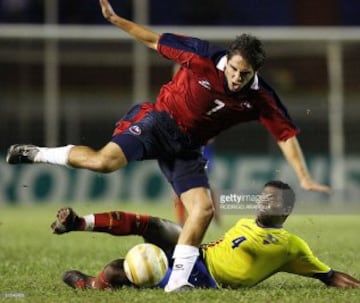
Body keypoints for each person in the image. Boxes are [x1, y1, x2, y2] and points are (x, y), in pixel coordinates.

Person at [6, 0, 331, 292]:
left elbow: (285, 135)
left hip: (188, 148)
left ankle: (177, 285)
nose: (235, 77)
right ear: (227, 60)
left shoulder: (261, 98)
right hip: (157, 122)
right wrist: (116, 19)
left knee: (203, 210)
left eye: (243, 74)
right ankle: (36, 153)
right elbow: (152, 40)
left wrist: (303, 178)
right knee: (105, 162)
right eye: (232, 69)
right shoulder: (202, 54)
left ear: (255, 72)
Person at [51, 180, 359, 290]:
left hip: (205, 278)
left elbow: (330, 276)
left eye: (272, 200)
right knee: (154, 224)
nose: (263, 202)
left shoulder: (291, 246)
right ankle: (79, 222)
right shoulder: (244, 223)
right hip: (196, 253)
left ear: (286, 211)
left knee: (117, 269)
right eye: (263, 196)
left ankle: (90, 285)